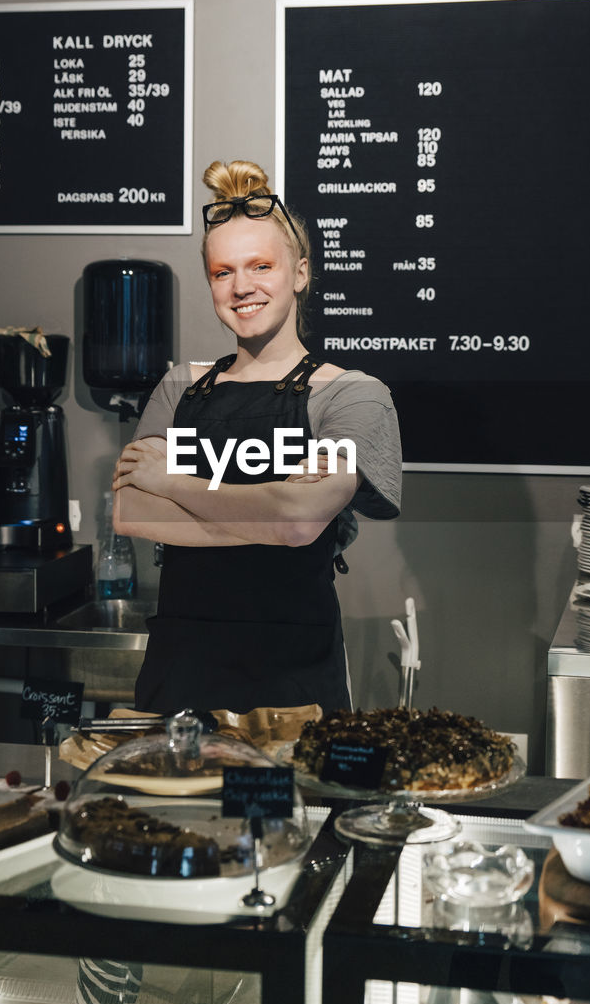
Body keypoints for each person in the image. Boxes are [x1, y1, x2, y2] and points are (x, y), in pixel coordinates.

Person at [113, 158, 402, 717]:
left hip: (291, 689)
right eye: (223, 272)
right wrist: (271, 514)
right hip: (180, 678)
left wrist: (174, 481)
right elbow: (132, 511)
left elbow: (298, 521)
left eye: (261, 266)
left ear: (300, 273)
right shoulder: (179, 386)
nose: (241, 287)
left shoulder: (352, 395)